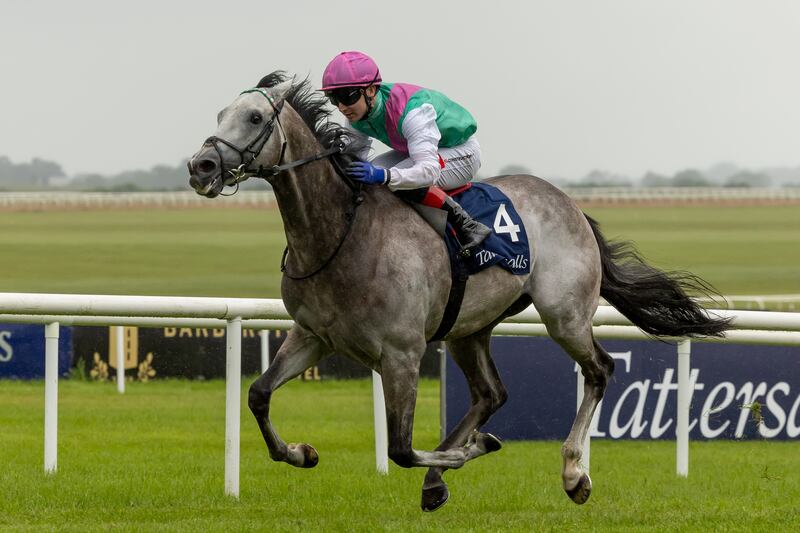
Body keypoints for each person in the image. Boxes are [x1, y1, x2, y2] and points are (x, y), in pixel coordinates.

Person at [320, 51, 491, 252]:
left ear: (371, 90)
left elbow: (428, 171)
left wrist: (384, 176)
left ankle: (467, 224)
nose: (341, 107)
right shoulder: (356, 115)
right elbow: (352, 161)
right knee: (366, 175)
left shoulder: (413, 112)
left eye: (347, 96)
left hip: (461, 152)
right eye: (333, 98)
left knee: (393, 181)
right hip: (420, 150)